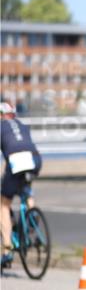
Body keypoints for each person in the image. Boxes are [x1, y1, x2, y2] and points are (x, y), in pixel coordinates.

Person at [1, 101, 42, 269]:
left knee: (3, 204)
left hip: (16, 162)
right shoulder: (22, 126)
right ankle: (32, 215)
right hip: (35, 159)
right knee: (25, 188)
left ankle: (7, 249)